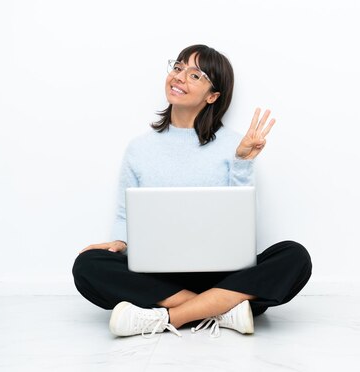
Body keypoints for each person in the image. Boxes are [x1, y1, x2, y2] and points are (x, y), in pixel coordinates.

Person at [72, 44, 312, 338]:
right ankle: (223, 309)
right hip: (160, 275)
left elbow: (242, 222)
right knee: (88, 265)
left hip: (221, 273)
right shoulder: (139, 149)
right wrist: (118, 242)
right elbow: (126, 213)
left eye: (196, 75)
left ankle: (166, 317)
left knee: (295, 256)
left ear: (212, 96)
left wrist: (243, 162)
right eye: (178, 67)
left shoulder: (235, 145)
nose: (180, 77)